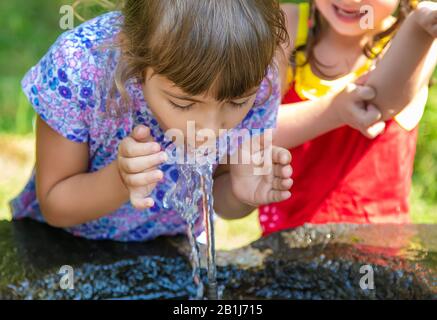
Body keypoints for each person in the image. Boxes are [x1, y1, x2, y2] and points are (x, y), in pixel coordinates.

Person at [9, 0, 294, 241]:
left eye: (236, 102)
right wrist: (121, 180)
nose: (208, 130)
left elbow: (217, 198)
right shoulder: (80, 67)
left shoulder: (257, 72)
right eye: (183, 103)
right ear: (133, 52)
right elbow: (56, 206)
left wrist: (239, 192)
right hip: (64, 247)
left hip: (171, 244)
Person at [259, 0, 437, 236]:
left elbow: (378, 103)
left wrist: (417, 26)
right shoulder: (286, 26)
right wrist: (334, 111)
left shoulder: (418, 36)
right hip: (285, 244)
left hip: (372, 249)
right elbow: (256, 130)